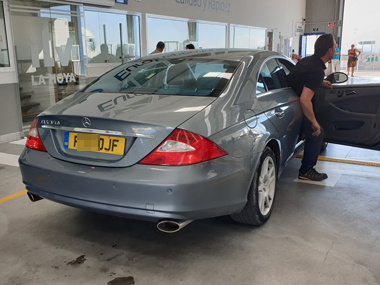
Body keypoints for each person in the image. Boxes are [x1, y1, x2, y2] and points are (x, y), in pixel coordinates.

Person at [287, 34, 336, 181]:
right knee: (317, 133)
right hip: (296, 105)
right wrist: (314, 123)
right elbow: (305, 100)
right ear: (329, 50)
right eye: (334, 46)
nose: (335, 48)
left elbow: (302, 78)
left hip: (289, 100)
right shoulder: (316, 69)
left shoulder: (308, 61)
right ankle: (306, 171)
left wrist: (321, 82)